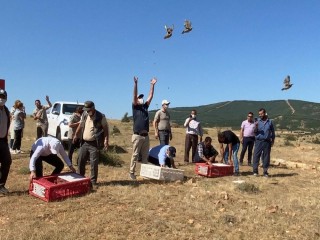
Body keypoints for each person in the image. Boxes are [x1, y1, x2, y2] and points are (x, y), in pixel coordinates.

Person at [73, 101, 109, 187]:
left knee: (94, 163)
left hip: (94, 144)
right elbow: (81, 125)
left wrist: (106, 140)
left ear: (93, 108)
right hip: (84, 142)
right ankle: (80, 179)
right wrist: (76, 135)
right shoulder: (85, 115)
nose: (87, 111)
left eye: (89, 109)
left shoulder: (101, 116)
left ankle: (93, 182)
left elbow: (106, 129)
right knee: (80, 161)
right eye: (86, 110)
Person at [129, 76, 157, 180]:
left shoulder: (145, 107)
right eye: (139, 97)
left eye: (142, 97)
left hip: (146, 136)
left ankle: (144, 173)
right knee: (135, 155)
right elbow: (134, 95)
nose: (141, 98)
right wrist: (135, 84)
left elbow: (151, 96)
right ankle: (132, 172)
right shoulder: (135, 107)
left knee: (145, 156)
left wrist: (152, 85)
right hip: (137, 136)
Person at [252, 108, 275, 177]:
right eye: (259, 114)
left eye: (261, 114)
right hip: (259, 141)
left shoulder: (270, 122)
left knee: (266, 157)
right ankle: (255, 171)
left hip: (267, 142)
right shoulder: (257, 121)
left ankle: (265, 171)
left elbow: (273, 132)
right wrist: (255, 127)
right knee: (256, 156)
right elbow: (254, 132)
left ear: (265, 113)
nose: (260, 115)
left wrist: (273, 140)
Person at [0, 89, 12, 194]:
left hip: (3, 140)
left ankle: (1, 185)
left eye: (3, 97)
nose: (1, 99)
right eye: (0, 96)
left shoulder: (6, 110)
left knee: (7, 161)